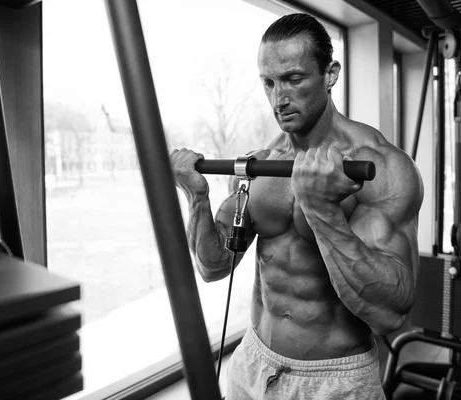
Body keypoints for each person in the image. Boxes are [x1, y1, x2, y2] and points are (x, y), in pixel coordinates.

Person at [170, 12, 423, 400]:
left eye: (293, 79)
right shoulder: (261, 161)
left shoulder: (382, 167)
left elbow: (389, 313)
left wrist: (321, 211)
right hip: (253, 363)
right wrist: (197, 199)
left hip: (334, 380)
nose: (278, 98)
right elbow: (214, 266)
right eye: (268, 83)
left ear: (330, 74)